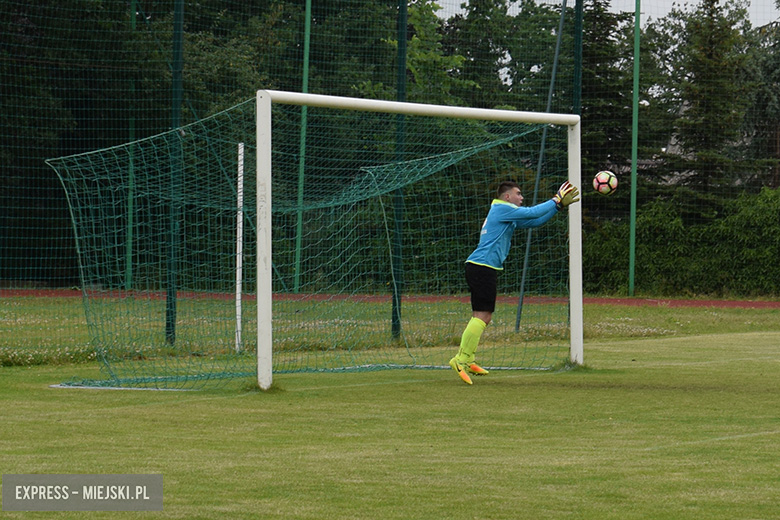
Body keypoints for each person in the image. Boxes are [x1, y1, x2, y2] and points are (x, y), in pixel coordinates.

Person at [449, 180, 580, 384]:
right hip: (482, 267)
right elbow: (531, 212)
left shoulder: (505, 213)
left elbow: (534, 221)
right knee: (483, 316)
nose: (522, 197)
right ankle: (460, 360)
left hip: (480, 267)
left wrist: (558, 206)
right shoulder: (501, 208)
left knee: (482, 316)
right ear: (507, 196)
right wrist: (556, 199)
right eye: (518, 194)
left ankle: (468, 359)